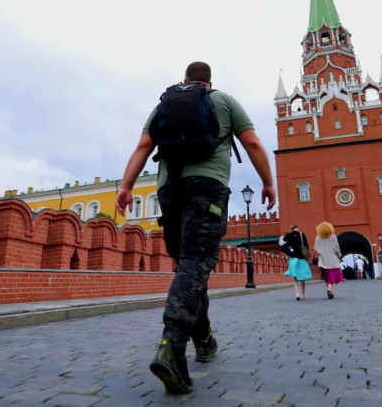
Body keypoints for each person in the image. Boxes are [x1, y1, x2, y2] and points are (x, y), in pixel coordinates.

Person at [116, 61, 276, 395]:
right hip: (208, 187)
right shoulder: (224, 101)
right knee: (195, 262)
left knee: (189, 268)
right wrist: (267, 182)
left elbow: (144, 146)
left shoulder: (165, 103)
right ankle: (171, 346)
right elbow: (252, 143)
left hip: (169, 190)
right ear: (209, 82)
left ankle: (204, 339)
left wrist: (126, 186)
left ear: (185, 80)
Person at [279, 224, 312, 300]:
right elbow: (306, 246)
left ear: (291, 228)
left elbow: (283, 240)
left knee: (294, 276)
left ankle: (297, 293)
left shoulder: (289, 235)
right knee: (302, 276)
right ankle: (303, 293)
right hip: (302, 258)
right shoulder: (302, 235)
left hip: (293, 258)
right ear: (297, 228)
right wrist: (307, 257)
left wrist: (289, 232)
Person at [312, 221, 344, 298]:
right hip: (333, 258)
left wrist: (321, 251)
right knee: (331, 274)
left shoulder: (318, 237)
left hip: (323, 259)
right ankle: (329, 290)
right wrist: (339, 256)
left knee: (326, 276)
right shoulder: (333, 236)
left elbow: (315, 248)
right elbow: (337, 247)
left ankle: (330, 291)